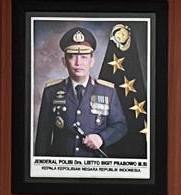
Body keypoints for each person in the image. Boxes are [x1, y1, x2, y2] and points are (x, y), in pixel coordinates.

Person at [33, 27, 127, 158]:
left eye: (84, 57)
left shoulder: (107, 91)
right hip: (61, 165)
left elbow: (120, 126)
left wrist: (101, 138)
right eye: (72, 57)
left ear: (92, 61)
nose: (78, 63)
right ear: (64, 61)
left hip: (95, 164)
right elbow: (43, 137)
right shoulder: (51, 91)